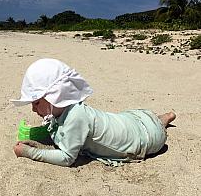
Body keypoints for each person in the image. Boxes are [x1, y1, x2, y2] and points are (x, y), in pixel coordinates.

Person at [11, 58, 176, 167]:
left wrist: (30, 153)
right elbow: (62, 134)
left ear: (55, 96)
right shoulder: (69, 108)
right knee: (139, 120)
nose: (33, 109)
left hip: (149, 138)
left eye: (36, 102)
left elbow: (67, 158)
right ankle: (166, 117)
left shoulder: (76, 118)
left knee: (154, 126)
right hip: (131, 120)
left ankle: (164, 120)